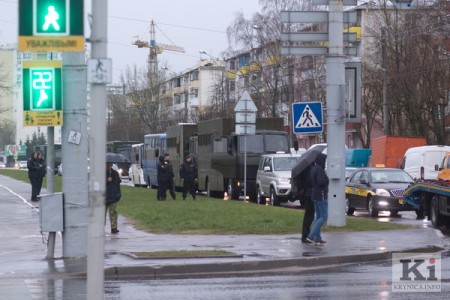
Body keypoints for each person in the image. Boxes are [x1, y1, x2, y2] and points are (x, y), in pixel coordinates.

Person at [306, 153, 329, 245]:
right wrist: (326, 179)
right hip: (321, 195)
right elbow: (321, 182)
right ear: (321, 160)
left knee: (318, 217)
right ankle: (311, 236)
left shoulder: (314, 169)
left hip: (314, 195)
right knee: (324, 217)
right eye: (324, 160)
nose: (325, 162)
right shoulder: (320, 170)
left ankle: (318, 237)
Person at [299, 163, 314, 243]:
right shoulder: (309, 168)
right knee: (309, 215)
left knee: (308, 215)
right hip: (309, 193)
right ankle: (306, 235)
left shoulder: (305, 167)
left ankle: (306, 234)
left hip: (307, 193)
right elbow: (310, 181)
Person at [106, 162, 122, 234]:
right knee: (102, 214)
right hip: (104, 197)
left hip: (113, 196)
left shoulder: (115, 173)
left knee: (113, 212)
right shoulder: (101, 173)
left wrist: (118, 194)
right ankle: (100, 227)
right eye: (107, 164)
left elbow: (117, 184)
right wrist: (107, 180)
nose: (109, 166)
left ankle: (114, 227)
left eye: (110, 164)